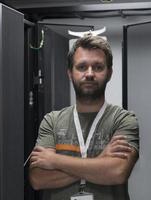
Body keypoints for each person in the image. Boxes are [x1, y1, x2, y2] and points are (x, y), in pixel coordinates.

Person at [29, 35, 139, 200]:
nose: (89, 74)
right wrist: (100, 161)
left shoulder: (123, 120)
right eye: (81, 67)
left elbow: (117, 172)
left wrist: (55, 160)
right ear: (70, 73)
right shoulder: (51, 121)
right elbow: (38, 179)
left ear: (109, 73)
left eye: (98, 67)